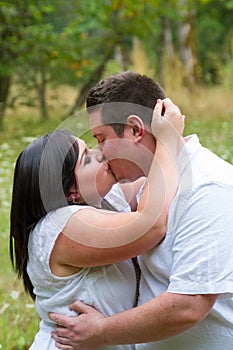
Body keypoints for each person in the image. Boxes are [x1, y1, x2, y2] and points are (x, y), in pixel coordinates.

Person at [50, 71, 233, 350]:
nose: (101, 153)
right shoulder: (150, 182)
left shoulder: (209, 188)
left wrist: (101, 331)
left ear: (135, 130)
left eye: (101, 139)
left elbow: (190, 305)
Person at [10, 100, 184, 350]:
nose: (100, 153)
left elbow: (152, 180)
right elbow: (152, 224)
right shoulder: (63, 226)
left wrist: (149, 133)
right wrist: (167, 142)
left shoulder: (103, 200)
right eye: (86, 158)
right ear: (70, 190)